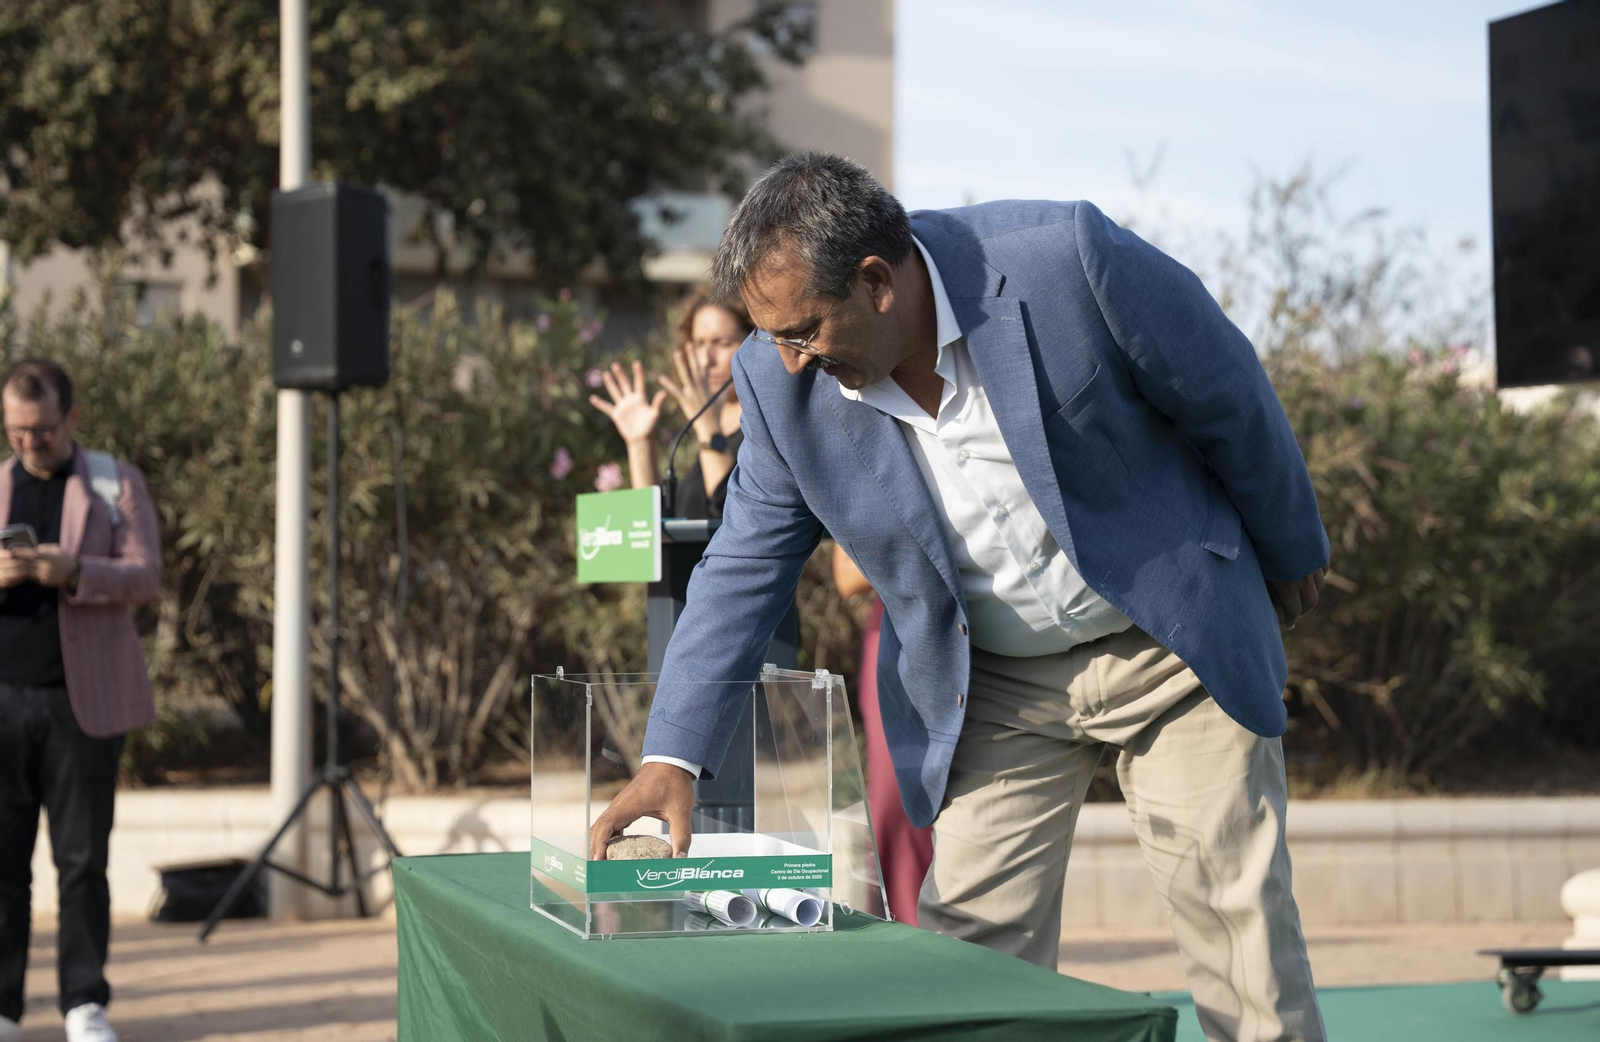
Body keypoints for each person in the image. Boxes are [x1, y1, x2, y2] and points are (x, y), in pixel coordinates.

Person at [591, 152, 1332, 1042]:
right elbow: (741, 567)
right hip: (995, 687)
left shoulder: (1068, 258)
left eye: (802, 330)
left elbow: (1229, 396)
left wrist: (1292, 552)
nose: (786, 361)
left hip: (1167, 646)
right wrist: (671, 756)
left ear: (876, 283)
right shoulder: (778, 381)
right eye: (773, 335)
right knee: (971, 961)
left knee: (1238, 934)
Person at [0, 359, 161, 1042]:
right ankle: (4, 1008)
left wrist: (76, 573)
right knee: (2, 865)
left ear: (71, 418)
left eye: (39, 429)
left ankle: (84, 1003)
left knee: (81, 862)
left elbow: (147, 573)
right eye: (15, 430)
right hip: (4, 700)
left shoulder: (112, 483)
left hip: (82, 703)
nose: (28, 443)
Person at [831, 546, 933, 925]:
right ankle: (909, 931)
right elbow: (846, 576)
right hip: (900, 633)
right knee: (897, 799)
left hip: (994, 629)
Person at [587, 289, 753, 518]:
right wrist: (640, 442)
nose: (706, 360)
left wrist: (708, 429)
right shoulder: (687, 426)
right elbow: (653, 520)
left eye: (721, 343)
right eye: (698, 344)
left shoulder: (764, 424)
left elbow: (735, 515)